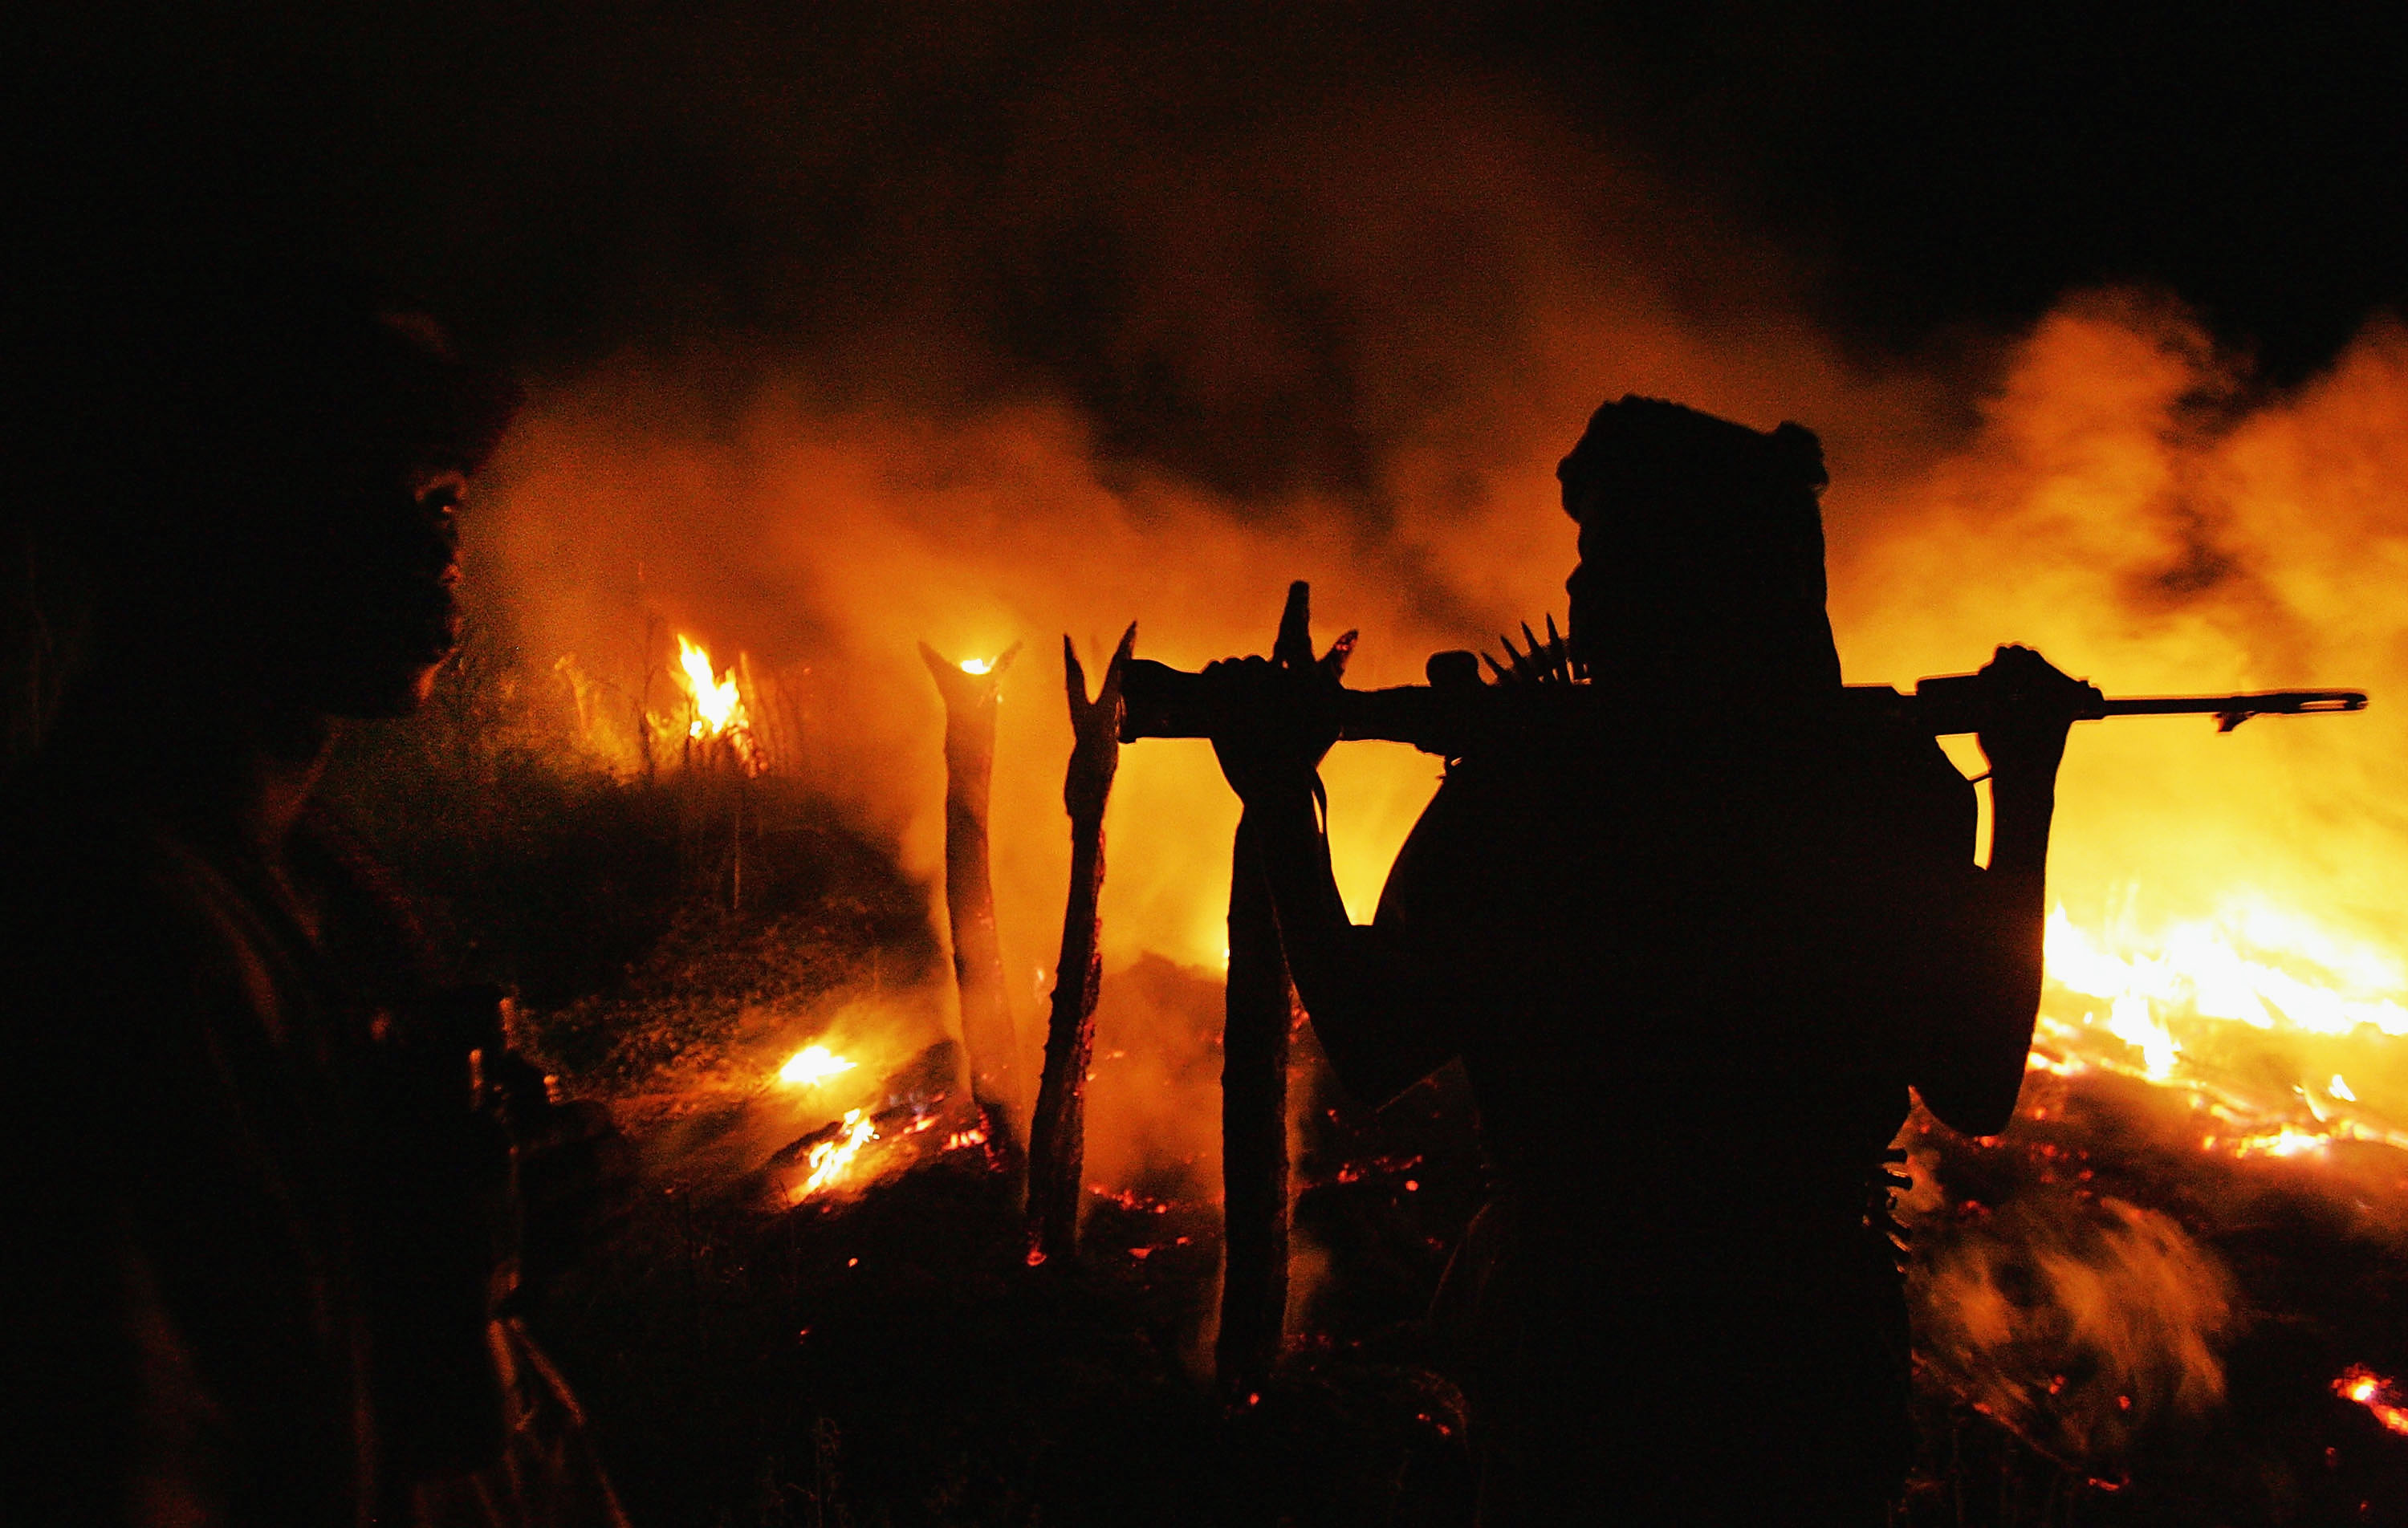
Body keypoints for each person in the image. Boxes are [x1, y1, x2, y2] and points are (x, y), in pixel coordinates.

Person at [1203, 396, 2085, 1524]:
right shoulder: (1885, 785)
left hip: (1581, 1344)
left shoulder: (1538, 794)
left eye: (1604, 554)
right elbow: (1977, 1080)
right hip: (1806, 1348)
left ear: (1682, 582)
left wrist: (1283, 796)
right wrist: (2025, 784)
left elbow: (1375, 1039)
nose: (1577, 592)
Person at [1, 258, 625, 1526]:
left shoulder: (309, 893)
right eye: (359, 496)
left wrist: (496, 1236)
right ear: (197, 525)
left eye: (443, 497)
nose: (433, 545)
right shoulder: (109, 935)